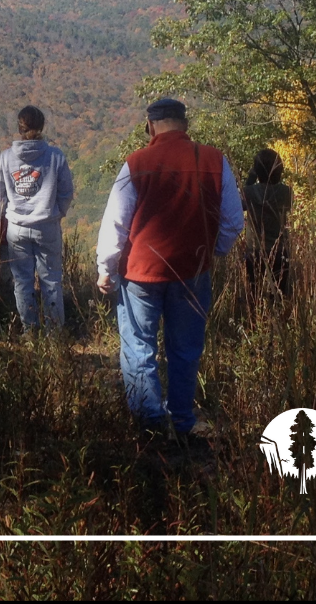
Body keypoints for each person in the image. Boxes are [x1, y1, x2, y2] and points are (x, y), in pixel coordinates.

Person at [96, 98, 243, 441]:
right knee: (186, 347)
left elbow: (116, 222)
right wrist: (214, 251)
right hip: (193, 271)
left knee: (139, 346)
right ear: (185, 124)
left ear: (150, 126)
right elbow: (234, 220)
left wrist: (106, 267)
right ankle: (181, 420)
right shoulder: (214, 160)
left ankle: (149, 425)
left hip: (139, 275)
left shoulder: (136, 163)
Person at [0, 105, 74, 332]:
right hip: (47, 227)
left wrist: (8, 216)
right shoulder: (55, 156)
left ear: (19, 128)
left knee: (22, 281)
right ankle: (54, 335)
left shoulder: (6, 158)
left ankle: (30, 332)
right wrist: (56, 213)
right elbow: (66, 192)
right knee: (51, 280)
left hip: (16, 228)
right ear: (42, 126)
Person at [242, 148, 292, 302]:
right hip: (280, 250)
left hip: (254, 251)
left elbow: (238, 204)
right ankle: (282, 322)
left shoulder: (249, 192)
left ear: (257, 171)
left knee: (253, 295)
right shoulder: (286, 192)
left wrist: (251, 177)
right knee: (282, 296)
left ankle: (255, 323)